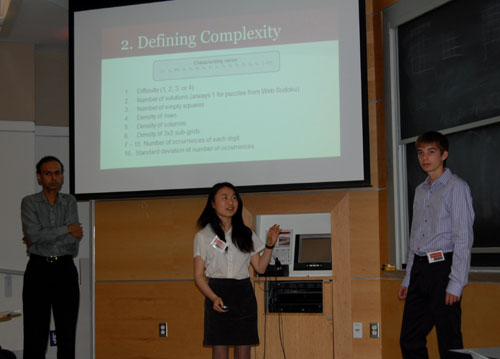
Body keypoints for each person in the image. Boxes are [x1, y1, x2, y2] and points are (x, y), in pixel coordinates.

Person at [398, 131, 474, 359]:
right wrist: (408, 277)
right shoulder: (420, 191)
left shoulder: (456, 187)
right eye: (421, 153)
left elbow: (463, 238)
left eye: (431, 152)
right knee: (409, 340)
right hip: (420, 270)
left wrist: (456, 283)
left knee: (449, 342)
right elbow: (415, 237)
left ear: (444, 154)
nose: (425, 158)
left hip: (443, 270)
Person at [193, 182, 280, 359]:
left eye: (234, 198)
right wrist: (214, 297)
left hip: (243, 294)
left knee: (243, 351)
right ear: (212, 203)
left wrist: (269, 245)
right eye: (224, 198)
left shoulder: (246, 233)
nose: (231, 202)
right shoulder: (204, 236)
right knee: (220, 348)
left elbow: (260, 268)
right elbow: (198, 275)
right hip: (217, 293)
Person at [21, 156, 83, 359]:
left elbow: (73, 243)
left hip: (65, 269)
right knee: (34, 335)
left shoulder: (70, 201)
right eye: (48, 173)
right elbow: (33, 235)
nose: (53, 177)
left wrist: (41, 237)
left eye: (57, 173)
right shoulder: (29, 202)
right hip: (38, 270)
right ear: (39, 178)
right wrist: (66, 229)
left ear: (62, 176)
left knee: (67, 335)